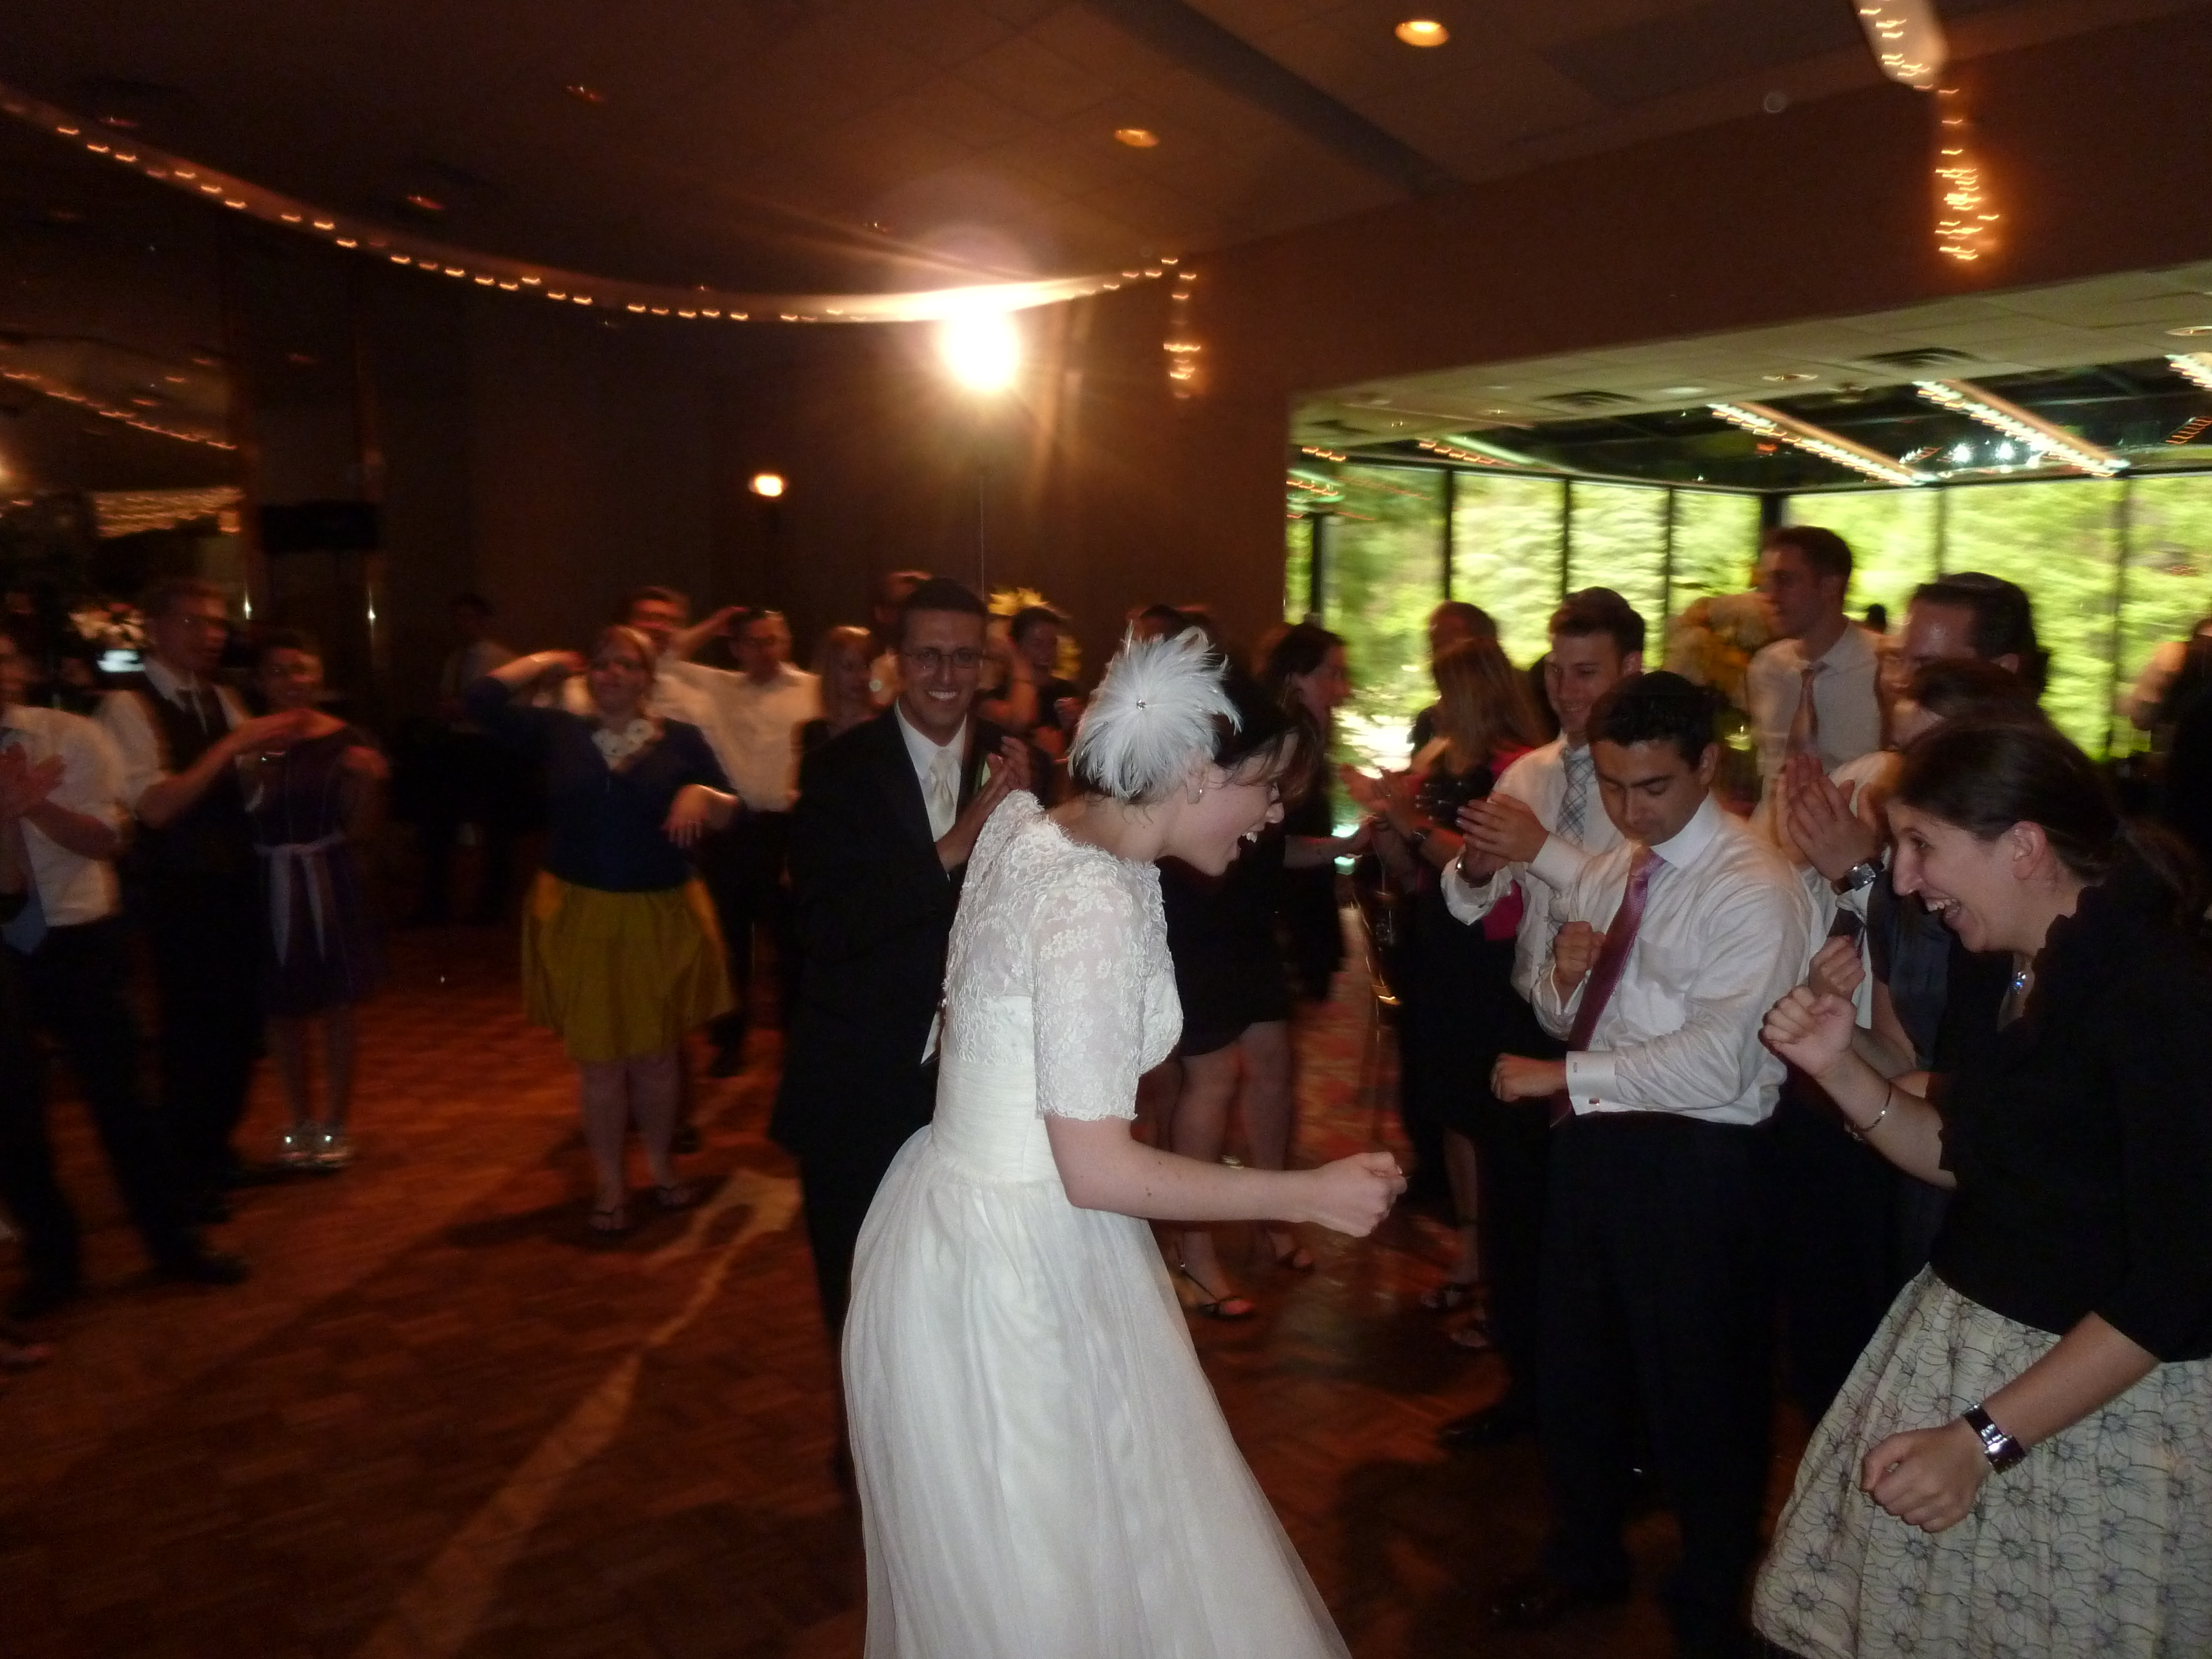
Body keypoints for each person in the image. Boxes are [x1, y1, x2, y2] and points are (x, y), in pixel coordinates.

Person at [843, 628, 1404, 1657]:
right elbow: (1096, 1167)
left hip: (962, 1226)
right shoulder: (1092, 894)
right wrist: (1304, 1193)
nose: (1270, 816)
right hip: (1015, 1273)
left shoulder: (1042, 828)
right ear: (1196, 773)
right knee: (1055, 1584)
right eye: (1264, 789)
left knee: (1077, 1561)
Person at [1755, 721, 2212, 1659]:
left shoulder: (2161, 993)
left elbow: (2180, 1283)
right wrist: (1839, 1068)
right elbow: (1968, 1155)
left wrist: (1984, 1441)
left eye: (1922, 846)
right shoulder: (2004, 965)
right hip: (1972, 1349)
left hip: (2095, 1406)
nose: (1906, 881)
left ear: (2026, 845)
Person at [1486, 671, 1815, 1659]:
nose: (1634, 810)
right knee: (1575, 1363)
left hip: (1701, 1158)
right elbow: (1563, 1007)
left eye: (1655, 787)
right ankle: (1584, 1554)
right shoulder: (1616, 868)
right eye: (1617, 788)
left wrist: (1562, 1073)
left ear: (1708, 764)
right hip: (1600, 1140)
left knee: (1703, 1387)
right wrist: (1563, 984)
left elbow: (1722, 1061)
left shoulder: (1754, 886)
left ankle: (1713, 1594)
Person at [771, 577, 1029, 1347]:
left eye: (964, 657)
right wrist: (949, 849)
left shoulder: (1016, 764)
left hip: (973, 1086)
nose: (946, 675)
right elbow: (825, 927)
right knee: (860, 1306)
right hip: (860, 1080)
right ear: (897, 661)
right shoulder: (838, 770)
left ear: (985, 666)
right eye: (927, 656)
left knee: (962, 1305)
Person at [1434, 586, 1644, 1445]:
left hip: (1624, 1032)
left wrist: (1541, 850)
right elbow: (1468, 899)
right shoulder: (1530, 774)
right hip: (1530, 1019)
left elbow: (1640, 897)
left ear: (1631, 669)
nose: (1565, 690)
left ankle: (1615, 1423)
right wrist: (1480, 868)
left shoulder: (1652, 777)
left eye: (1586, 672)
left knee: (1604, 1237)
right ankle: (1526, 1392)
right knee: (1519, 1220)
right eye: (1556, 671)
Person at [0, 628, 248, 1321]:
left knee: (125, 1103)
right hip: (4, 950)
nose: (2, 672)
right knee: (14, 1118)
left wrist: (31, 805)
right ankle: (54, 1264)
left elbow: (109, 839)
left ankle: (175, 1243)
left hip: (79, 936)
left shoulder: (69, 735)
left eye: (6, 657)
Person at [469, 627, 739, 1232]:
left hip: (658, 912)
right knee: (600, 1062)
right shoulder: (559, 731)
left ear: (648, 678)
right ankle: (611, 1184)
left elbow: (733, 810)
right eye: (601, 664)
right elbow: (479, 701)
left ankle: (663, 1169)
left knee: (656, 1058)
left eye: (627, 665)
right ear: (587, 674)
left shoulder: (681, 739)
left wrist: (702, 794)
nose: (612, 674)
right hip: (581, 911)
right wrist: (545, 658)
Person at [1352, 635, 1541, 1352]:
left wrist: (1409, 822)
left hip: (1490, 953)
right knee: (1455, 1106)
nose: (1437, 705)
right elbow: (1416, 871)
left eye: (1446, 689)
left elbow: (1486, 867)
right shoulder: (1446, 766)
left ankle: (1504, 1268)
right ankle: (1471, 1251)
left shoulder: (1514, 770)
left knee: (1491, 1114)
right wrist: (1388, 827)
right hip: (1442, 942)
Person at [98, 578, 302, 1215]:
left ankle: (214, 1149)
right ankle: (184, 1170)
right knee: (192, 1029)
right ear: (155, 629)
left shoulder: (223, 698)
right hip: (180, 888)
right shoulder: (128, 706)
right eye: (193, 622)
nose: (210, 635)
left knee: (238, 1025)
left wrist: (269, 761)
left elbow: (248, 793)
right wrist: (234, 747)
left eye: (216, 624)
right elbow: (156, 808)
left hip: (234, 879)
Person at [1157, 670, 1310, 1321]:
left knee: (1271, 1064)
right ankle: (1194, 1252)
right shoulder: (1145, 851)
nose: (1275, 809)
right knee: (1210, 1078)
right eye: (1267, 788)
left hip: (1245, 931)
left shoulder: (1260, 765)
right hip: (1195, 930)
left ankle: (1267, 1213)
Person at [244, 632, 388, 1171]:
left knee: (337, 1005)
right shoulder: (242, 737)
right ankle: (299, 1119)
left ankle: (334, 1124)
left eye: (301, 669)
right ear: (259, 681)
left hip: (328, 877)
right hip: (266, 878)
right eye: (278, 671)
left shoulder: (347, 739)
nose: (292, 681)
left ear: (318, 676)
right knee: (280, 1009)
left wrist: (369, 783)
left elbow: (364, 829)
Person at [661, 607, 820, 1076]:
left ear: (786, 641)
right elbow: (663, 663)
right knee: (729, 939)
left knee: (791, 941)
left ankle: (796, 1042)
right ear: (735, 647)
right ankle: (729, 1040)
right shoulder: (717, 687)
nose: (765, 651)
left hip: (790, 828)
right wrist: (713, 625)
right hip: (731, 827)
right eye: (753, 642)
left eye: (773, 640)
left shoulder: (813, 689)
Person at [1747, 526, 1884, 823]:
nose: (1770, 596)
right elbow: (1767, 765)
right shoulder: (1768, 667)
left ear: (1830, 587)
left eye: (1785, 581)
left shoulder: (1881, 667)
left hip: (1847, 833)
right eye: (1767, 582)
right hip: (1769, 831)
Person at [1261, 623, 1365, 1001]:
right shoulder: (1290, 743)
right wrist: (1346, 845)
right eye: (1332, 674)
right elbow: (1274, 845)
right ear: (1295, 678)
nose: (1343, 690)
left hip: (1294, 907)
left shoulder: (1302, 741)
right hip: (1281, 913)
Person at [415, 592, 518, 925]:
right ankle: (436, 903)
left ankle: (492, 906)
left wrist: (471, 710)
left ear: (484, 621)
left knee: (494, 828)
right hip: (455, 744)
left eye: (469, 617)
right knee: (439, 824)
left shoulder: (502, 660)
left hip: (486, 747)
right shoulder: (455, 659)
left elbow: (511, 707)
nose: (462, 625)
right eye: (458, 618)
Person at [1408, 600, 1496, 750]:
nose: (1438, 657)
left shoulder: (1508, 718)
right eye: (1435, 647)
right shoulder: (1429, 723)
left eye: (1449, 644)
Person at [800, 624, 876, 757]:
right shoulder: (815, 733)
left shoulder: (885, 724)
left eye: (865, 666)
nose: (861, 676)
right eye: (849, 667)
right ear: (831, 672)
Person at [865, 570, 930, 708]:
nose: (910, 613)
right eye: (902, 605)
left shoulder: (953, 660)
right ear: (881, 612)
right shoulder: (865, 664)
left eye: (919, 604)